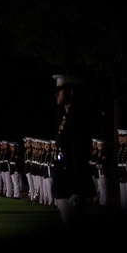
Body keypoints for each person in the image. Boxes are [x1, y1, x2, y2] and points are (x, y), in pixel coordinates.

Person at [51, 74, 93, 226]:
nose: (56, 94)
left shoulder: (77, 117)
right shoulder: (67, 116)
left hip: (71, 182)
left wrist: (78, 189)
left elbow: (79, 153)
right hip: (65, 180)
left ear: (71, 92)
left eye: (60, 90)